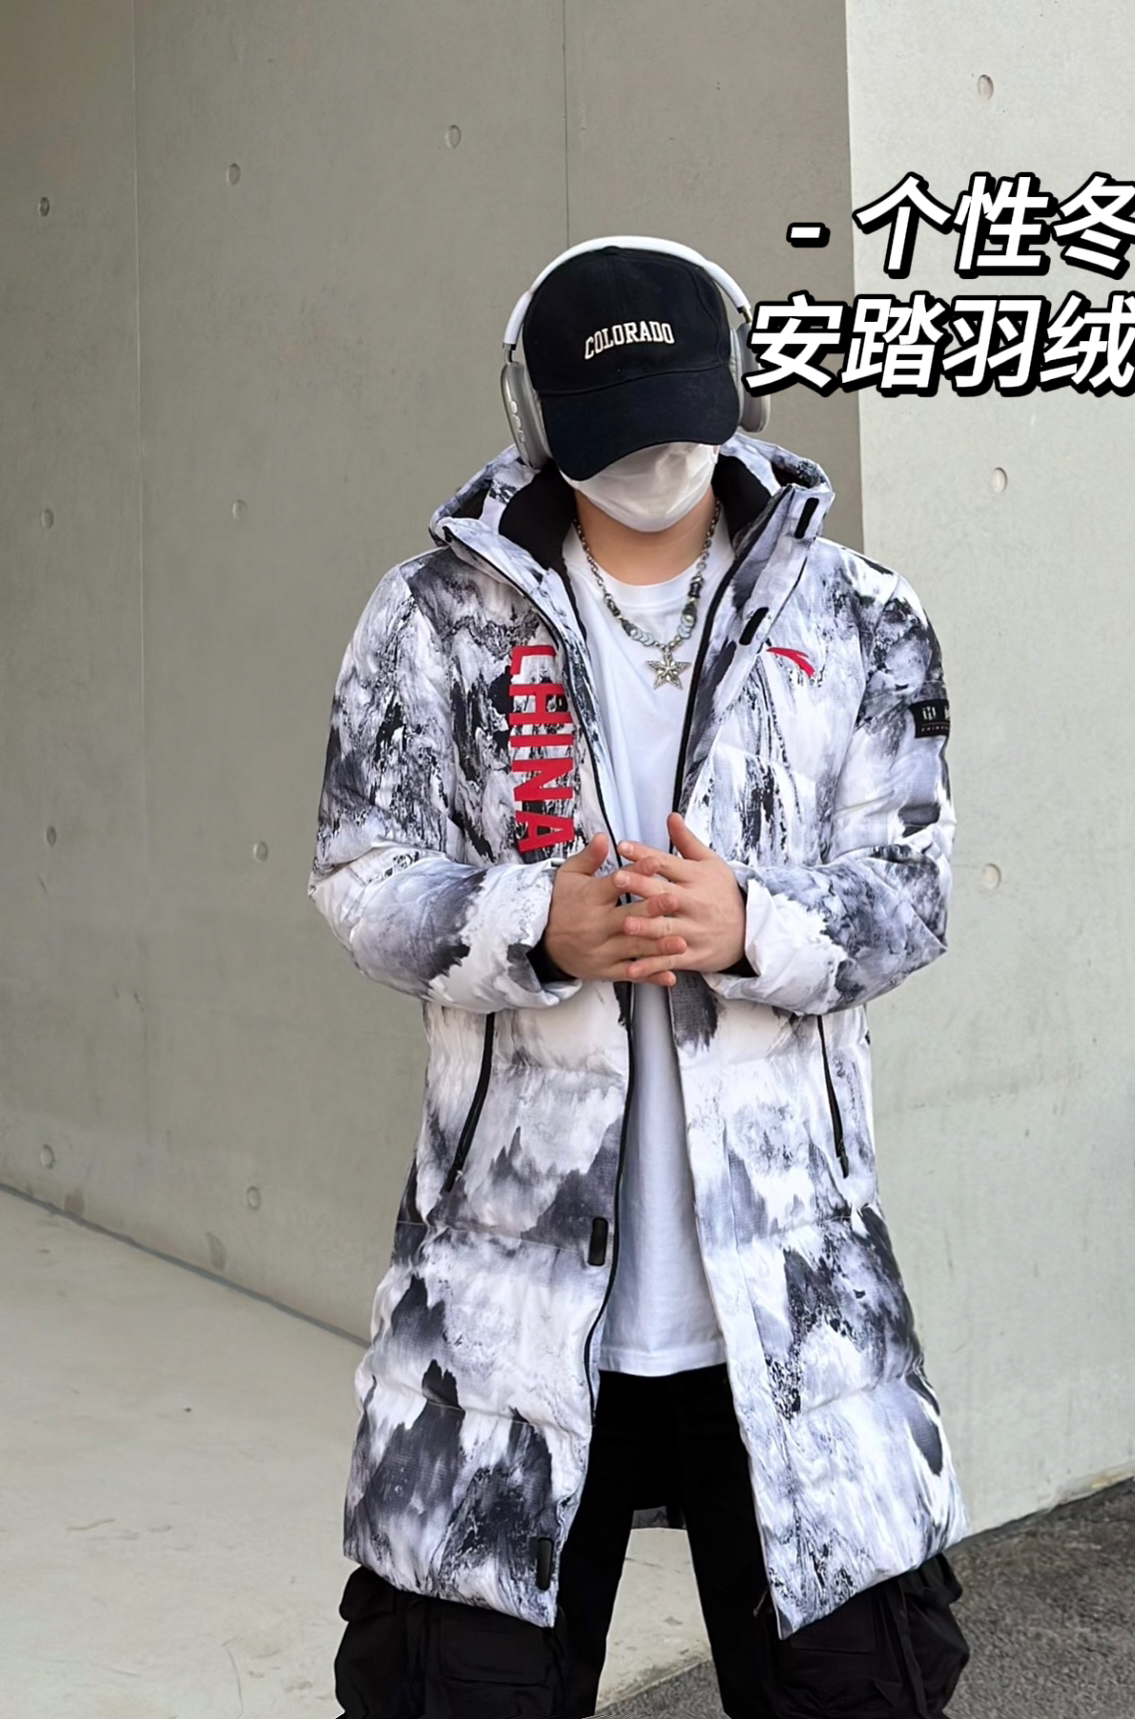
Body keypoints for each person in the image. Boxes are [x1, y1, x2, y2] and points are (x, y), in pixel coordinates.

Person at [307, 236, 971, 1719]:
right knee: (451, 1695)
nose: (657, 463)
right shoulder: (432, 618)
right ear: (535, 419)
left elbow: (915, 891)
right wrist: (533, 925)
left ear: (736, 388)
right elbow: (359, 876)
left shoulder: (857, 614)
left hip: (793, 1303)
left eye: (681, 419)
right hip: (504, 1314)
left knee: (862, 1694)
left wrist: (754, 923)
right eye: (614, 434)